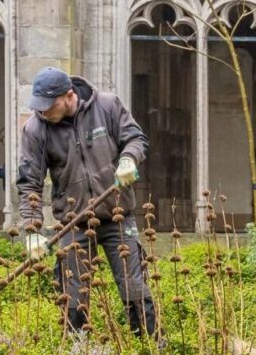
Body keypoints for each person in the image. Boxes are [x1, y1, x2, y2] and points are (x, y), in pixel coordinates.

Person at [16, 66, 156, 337]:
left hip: (118, 215)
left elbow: (135, 138)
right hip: (74, 223)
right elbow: (29, 183)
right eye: (39, 106)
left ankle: (150, 351)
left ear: (69, 96)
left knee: (135, 290)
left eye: (49, 105)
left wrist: (129, 158)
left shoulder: (107, 106)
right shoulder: (36, 129)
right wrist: (33, 231)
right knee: (72, 296)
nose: (43, 112)